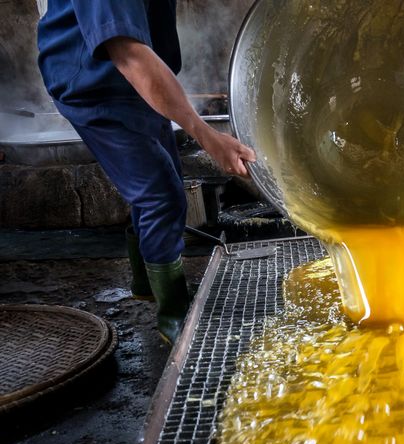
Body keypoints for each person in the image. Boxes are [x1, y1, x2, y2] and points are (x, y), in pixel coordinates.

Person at [37, 1, 256, 343]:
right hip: (94, 85)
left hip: (133, 83)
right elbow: (129, 54)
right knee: (162, 195)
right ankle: (174, 314)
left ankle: (147, 283)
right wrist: (207, 136)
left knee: (158, 179)